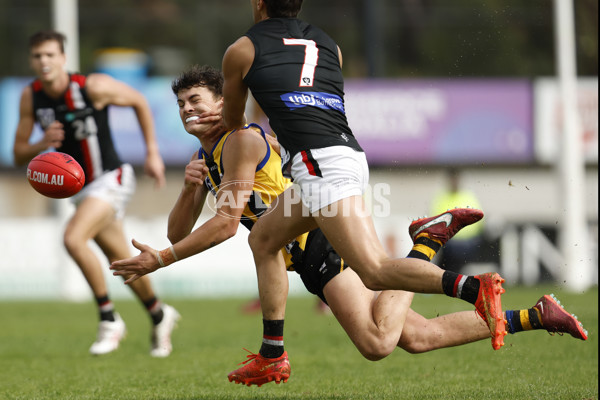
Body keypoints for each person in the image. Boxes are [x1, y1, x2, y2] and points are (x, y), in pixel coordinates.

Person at [109, 65, 588, 387]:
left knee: (378, 343)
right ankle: (536, 315)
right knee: (414, 337)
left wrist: (161, 260)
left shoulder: (240, 141)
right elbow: (179, 230)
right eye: (180, 105)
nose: (188, 110)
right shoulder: (206, 156)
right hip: (305, 245)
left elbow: (224, 226)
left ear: (223, 102)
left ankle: (425, 244)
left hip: (319, 237)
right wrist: (190, 188)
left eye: (196, 100)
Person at [217, 0, 506, 382]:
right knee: (265, 239)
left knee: (373, 271)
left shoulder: (242, 49)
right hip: (344, 154)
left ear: (258, 3)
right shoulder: (330, 46)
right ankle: (273, 353)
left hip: (318, 164)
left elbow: (234, 122)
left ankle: (474, 287)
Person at [13, 30, 180, 357]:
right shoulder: (30, 97)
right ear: (32, 61)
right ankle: (160, 315)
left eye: (50, 55)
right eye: (37, 56)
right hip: (81, 190)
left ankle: (108, 318)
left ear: (63, 57)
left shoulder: (92, 86)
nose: (44, 62)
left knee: (73, 238)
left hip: (111, 177)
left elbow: (139, 100)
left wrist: (152, 152)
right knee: (122, 262)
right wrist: (40, 143)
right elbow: (18, 154)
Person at [430, 168, 485, 273]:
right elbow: (435, 222)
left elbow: (479, 221)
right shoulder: (441, 198)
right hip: (449, 242)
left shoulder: (468, 196)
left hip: (468, 241)